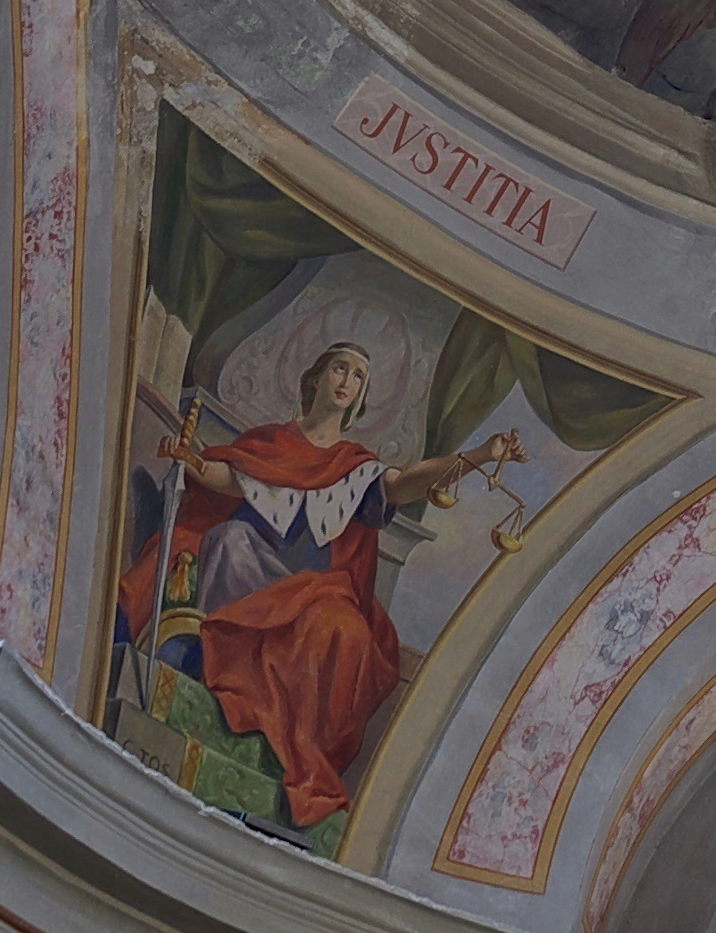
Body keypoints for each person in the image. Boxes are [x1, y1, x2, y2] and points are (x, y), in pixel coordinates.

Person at [119, 343, 523, 830]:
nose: (347, 381)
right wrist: (191, 461)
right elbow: (230, 479)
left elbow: (406, 483)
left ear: (359, 399)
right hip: (255, 579)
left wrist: (483, 455)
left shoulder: (356, 467)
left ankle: (282, 733)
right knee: (229, 538)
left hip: (311, 593)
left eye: (358, 377)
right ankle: (211, 655)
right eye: (340, 369)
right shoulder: (271, 443)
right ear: (316, 378)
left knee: (342, 627)